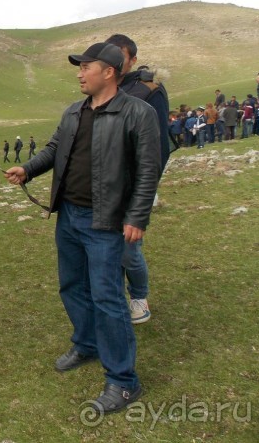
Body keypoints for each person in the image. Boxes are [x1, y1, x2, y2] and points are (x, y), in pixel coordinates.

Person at [5, 41, 161, 416]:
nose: (79, 73)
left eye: (85, 67)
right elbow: (54, 149)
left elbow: (147, 170)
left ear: (108, 71)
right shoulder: (73, 112)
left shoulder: (137, 113)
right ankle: (87, 343)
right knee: (72, 285)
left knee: (108, 298)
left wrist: (137, 218)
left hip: (106, 221)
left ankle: (124, 381)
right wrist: (28, 169)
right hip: (69, 216)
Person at [104, 34, 170, 325]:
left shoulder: (150, 90)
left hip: (133, 186)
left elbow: (159, 148)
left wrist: (145, 192)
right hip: (103, 185)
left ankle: (139, 298)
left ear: (131, 60)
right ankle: (114, 298)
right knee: (107, 248)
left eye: (121, 56)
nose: (115, 61)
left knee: (130, 250)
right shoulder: (102, 88)